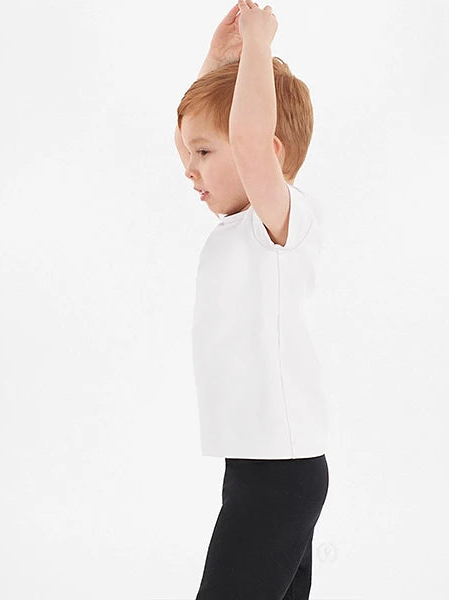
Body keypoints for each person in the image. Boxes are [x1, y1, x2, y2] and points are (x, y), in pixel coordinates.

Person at [174, 2, 330, 598]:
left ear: (271, 151)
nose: (189, 168)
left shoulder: (283, 222)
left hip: (279, 472)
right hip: (257, 463)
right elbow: (216, 132)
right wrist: (218, 65)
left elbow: (246, 140)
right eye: (190, 154)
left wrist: (259, 45)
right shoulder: (240, 226)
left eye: (204, 154)